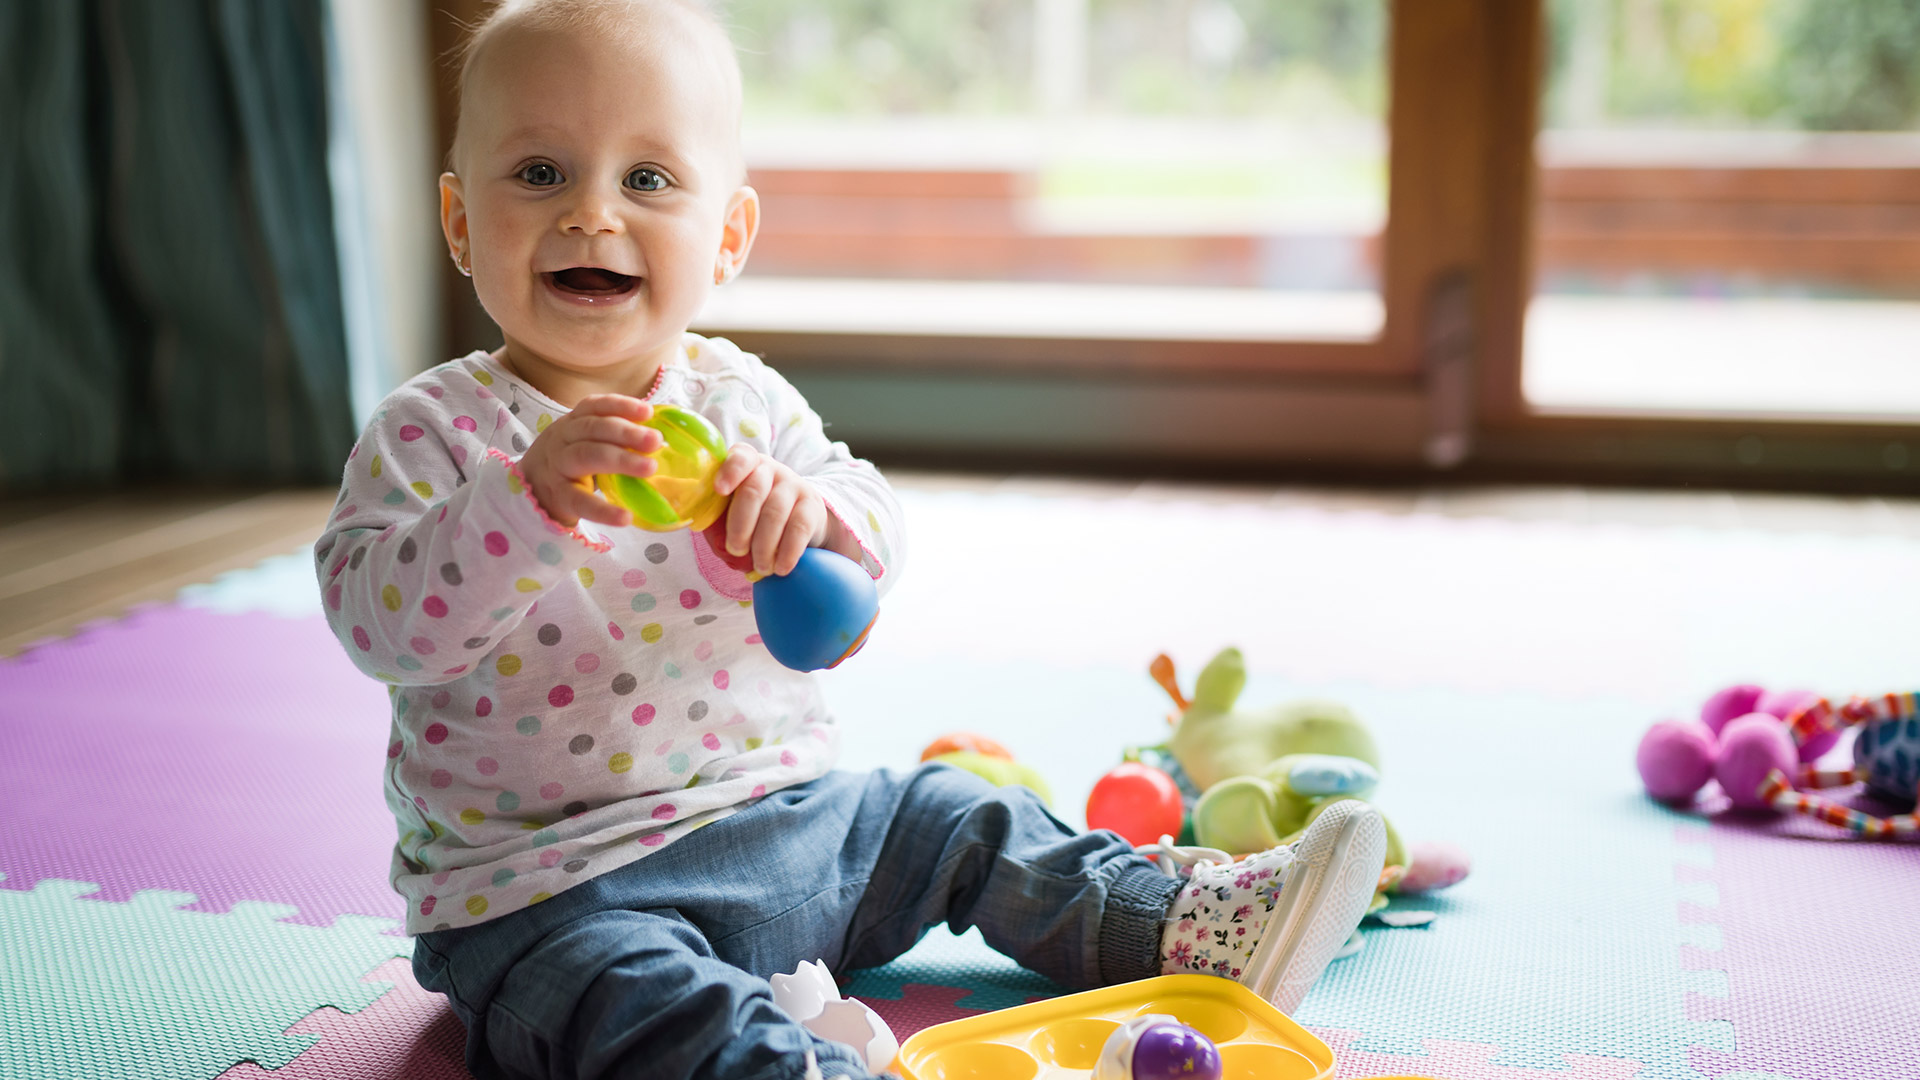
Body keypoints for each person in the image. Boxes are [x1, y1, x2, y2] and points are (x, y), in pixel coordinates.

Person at [313, 2, 1386, 1077]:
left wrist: (815, 514)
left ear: (727, 236)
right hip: (553, 901)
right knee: (643, 1008)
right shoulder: (433, 433)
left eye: (647, 180)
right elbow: (380, 623)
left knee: (956, 812)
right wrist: (525, 503)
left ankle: (1183, 927)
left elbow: (870, 510)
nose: (593, 213)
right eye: (540, 173)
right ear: (459, 222)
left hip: (797, 834)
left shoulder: (740, 396)